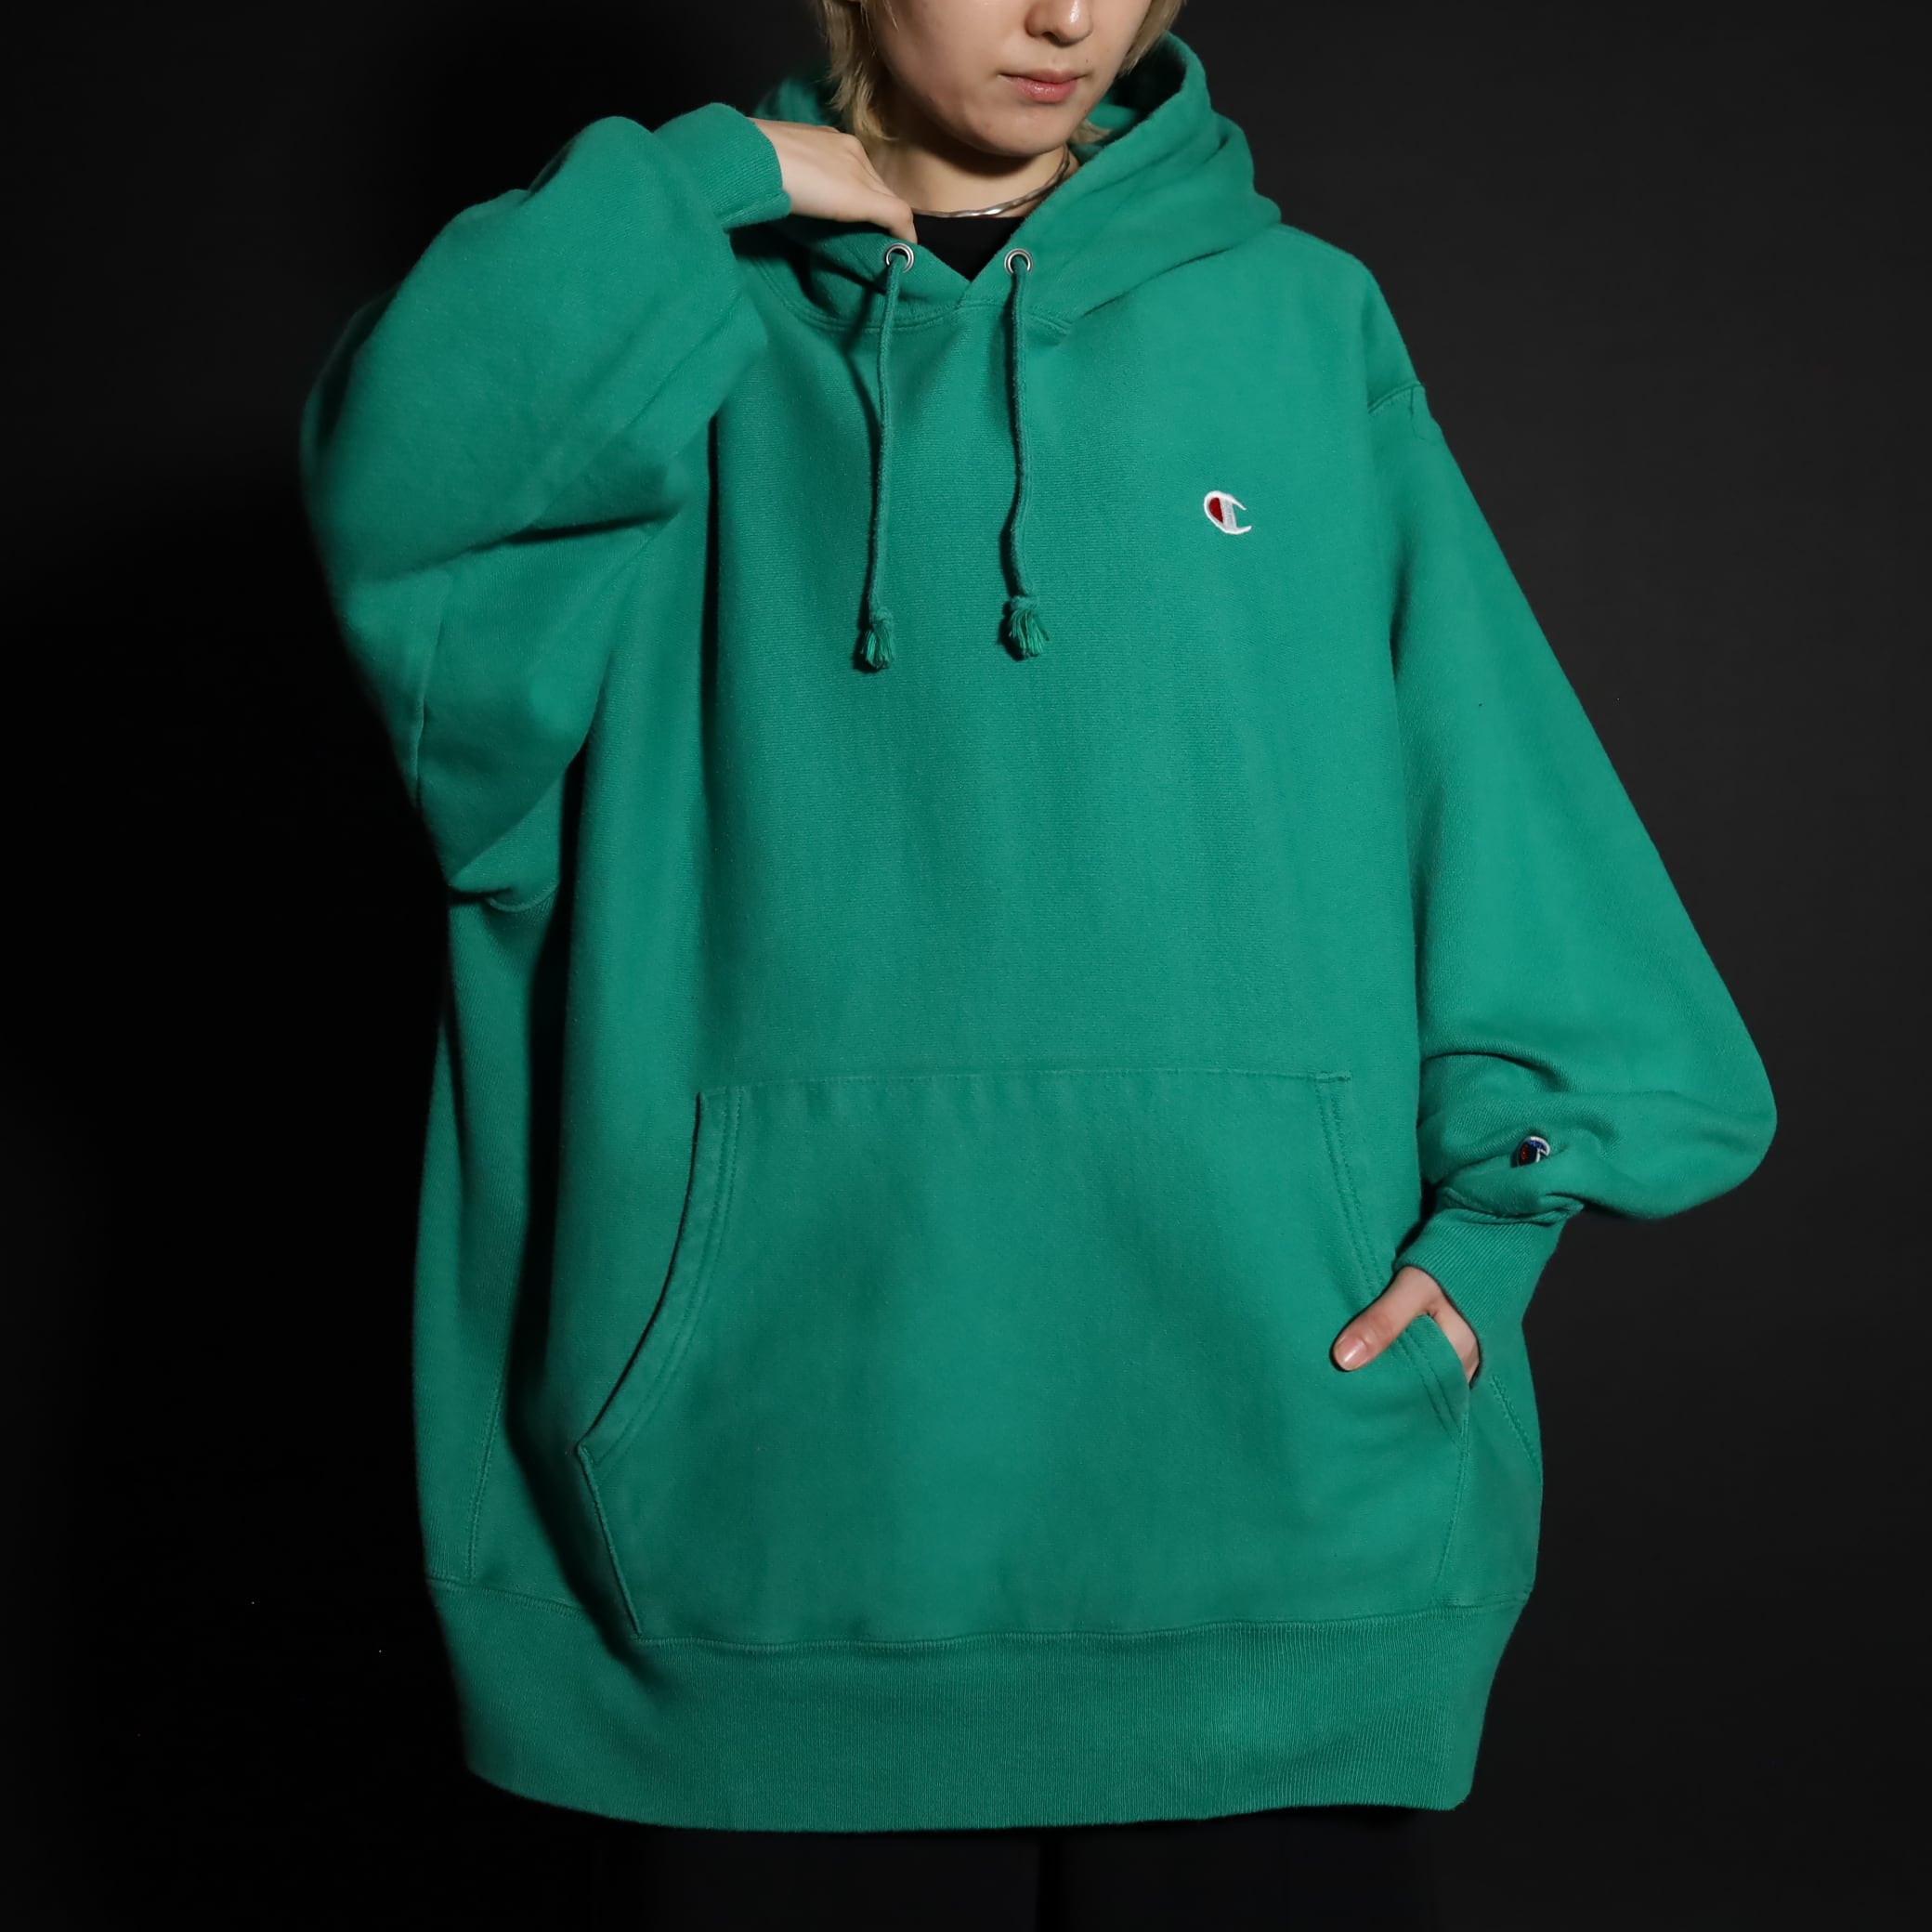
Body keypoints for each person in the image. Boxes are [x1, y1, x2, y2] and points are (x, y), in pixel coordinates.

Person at [299, 0, 1777, 1924]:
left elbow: (1494, 797)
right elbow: (403, 485)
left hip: (1275, 1494)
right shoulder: (661, 329)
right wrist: (708, 181)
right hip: (754, 1531)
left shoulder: (1299, 323)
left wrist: (1494, 1221)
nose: (1070, 15)